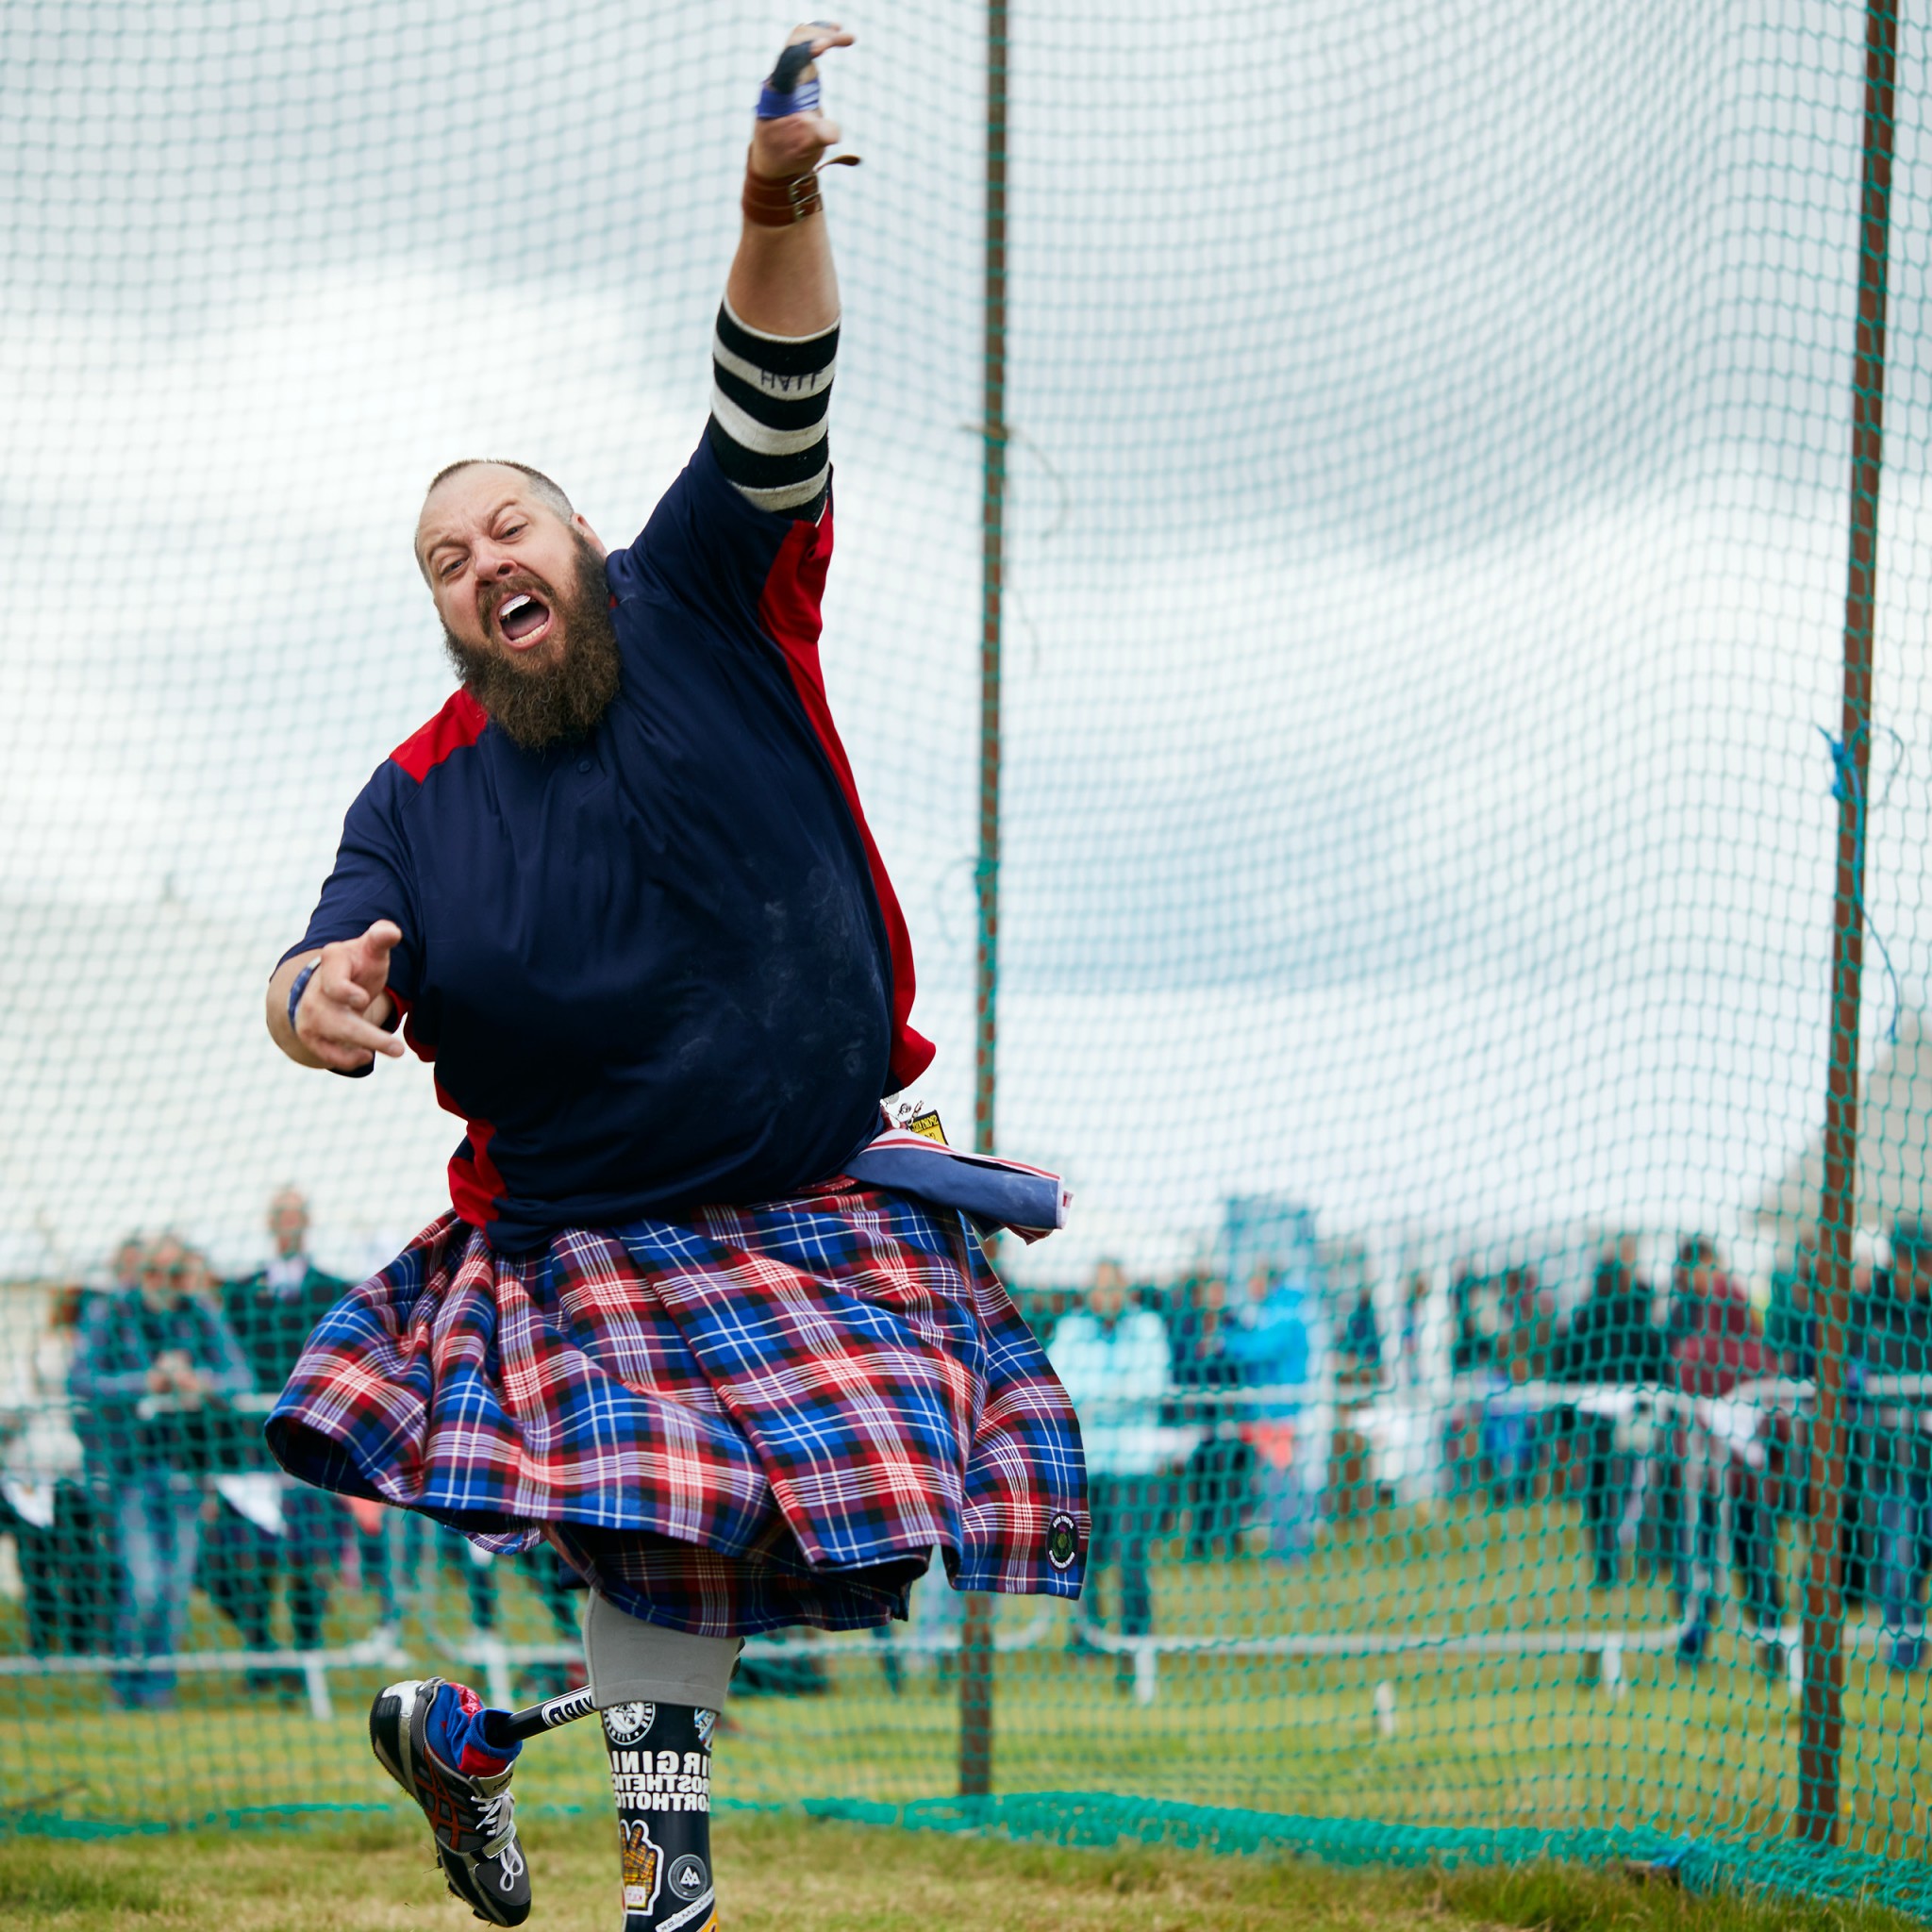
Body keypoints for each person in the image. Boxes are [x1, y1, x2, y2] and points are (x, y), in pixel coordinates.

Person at [256, 30, 1085, 1931]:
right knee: (656, 1529)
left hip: (812, 1196)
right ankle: (665, 1881)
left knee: (798, 1546)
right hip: (582, 1235)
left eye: (509, 528)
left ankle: (474, 1742)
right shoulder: (420, 793)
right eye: (447, 562)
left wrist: (772, 205)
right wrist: (319, 1001)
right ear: (447, 615)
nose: (483, 566)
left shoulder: (711, 593)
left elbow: (770, 395)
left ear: (582, 545)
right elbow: (314, 958)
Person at [69, 1235, 253, 1707]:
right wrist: (144, 1383)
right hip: (130, 1470)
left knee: (173, 1589)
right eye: (155, 1272)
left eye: (175, 1274)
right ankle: (124, 1684)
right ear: (139, 1272)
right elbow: (82, 1380)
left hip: (189, 1470)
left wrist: (200, 1382)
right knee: (145, 1583)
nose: (165, 1284)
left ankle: (156, 1692)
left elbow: (241, 1379)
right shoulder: (110, 1313)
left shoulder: (199, 1313)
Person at [210, 1189, 358, 1671]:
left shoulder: (336, 1289)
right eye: (281, 1216)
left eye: (296, 1215)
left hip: (313, 1439)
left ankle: (306, 1655)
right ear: (271, 1224)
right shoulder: (240, 1292)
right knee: (254, 1553)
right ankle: (263, 1654)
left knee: (311, 1554)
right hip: (255, 1445)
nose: (288, 1224)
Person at [1048, 1261, 1174, 1664]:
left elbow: (1150, 1385)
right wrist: (1109, 1394)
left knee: (1130, 1555)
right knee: (1084, 1559)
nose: (1107, 1297)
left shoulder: (1149, 1328)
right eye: (1099, 1288)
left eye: (1113, 1288)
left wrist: (1095, 1397)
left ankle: (1138, 1645)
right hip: (1086, 1463)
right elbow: (1058, 1384)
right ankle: (1089, 1640)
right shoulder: (1070, 1330)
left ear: (1127, 1290)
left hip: (1135, 1464)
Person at [1556, 1240, 1669, 1591]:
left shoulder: (1582, 1321)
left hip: (1597, 1423)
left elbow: (1564, 1378)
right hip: (1628, 1418)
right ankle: (1641, 1559)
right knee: (1636, 1489)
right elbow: (1656, 1364)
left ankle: (1608, 1566)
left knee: (1602, 1494)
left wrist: (1564, 1432)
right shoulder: (1634, 1321)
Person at [1855, 1219, 1932, 1672]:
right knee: (1898, 1568)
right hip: (1895, 1464)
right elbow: (1852, 1368)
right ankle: (1903, 1657)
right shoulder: (1870, 1308)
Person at [1227, 1260, 1321, 1562]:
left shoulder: (1282, 1312)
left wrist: (1225, 1341)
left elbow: (1261, 1348)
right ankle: (1288, 1546)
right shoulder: (1279, 1309)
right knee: (1279, 1480)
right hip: (1272, 1410)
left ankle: (1290, 1550)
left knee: (1280, 1481)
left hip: (1279, 1411)